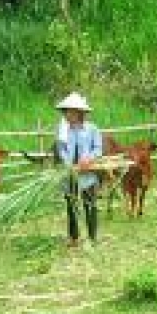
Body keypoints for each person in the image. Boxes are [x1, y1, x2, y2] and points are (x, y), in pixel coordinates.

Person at [55, 92, 103, 248]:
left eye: (71, 111)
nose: (68, 114)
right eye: (66, 111)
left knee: (90, 206)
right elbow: (60, 149)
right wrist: (68, 164)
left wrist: (88, 159)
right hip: (69, 174)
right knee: (71, 207)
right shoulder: (62, 130)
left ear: (80, 112)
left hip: (88, 174)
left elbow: (98, 149)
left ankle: (92, 237)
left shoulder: (92, 129)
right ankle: (73, 237)